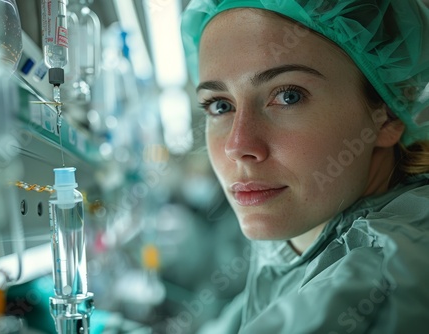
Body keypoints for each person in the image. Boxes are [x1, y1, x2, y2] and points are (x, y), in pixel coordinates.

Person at [180, 0, 429, 333]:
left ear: (387, 115)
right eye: (220, 105)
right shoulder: (316, 241)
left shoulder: (377, 286)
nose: (237, 146)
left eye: (288, 96)